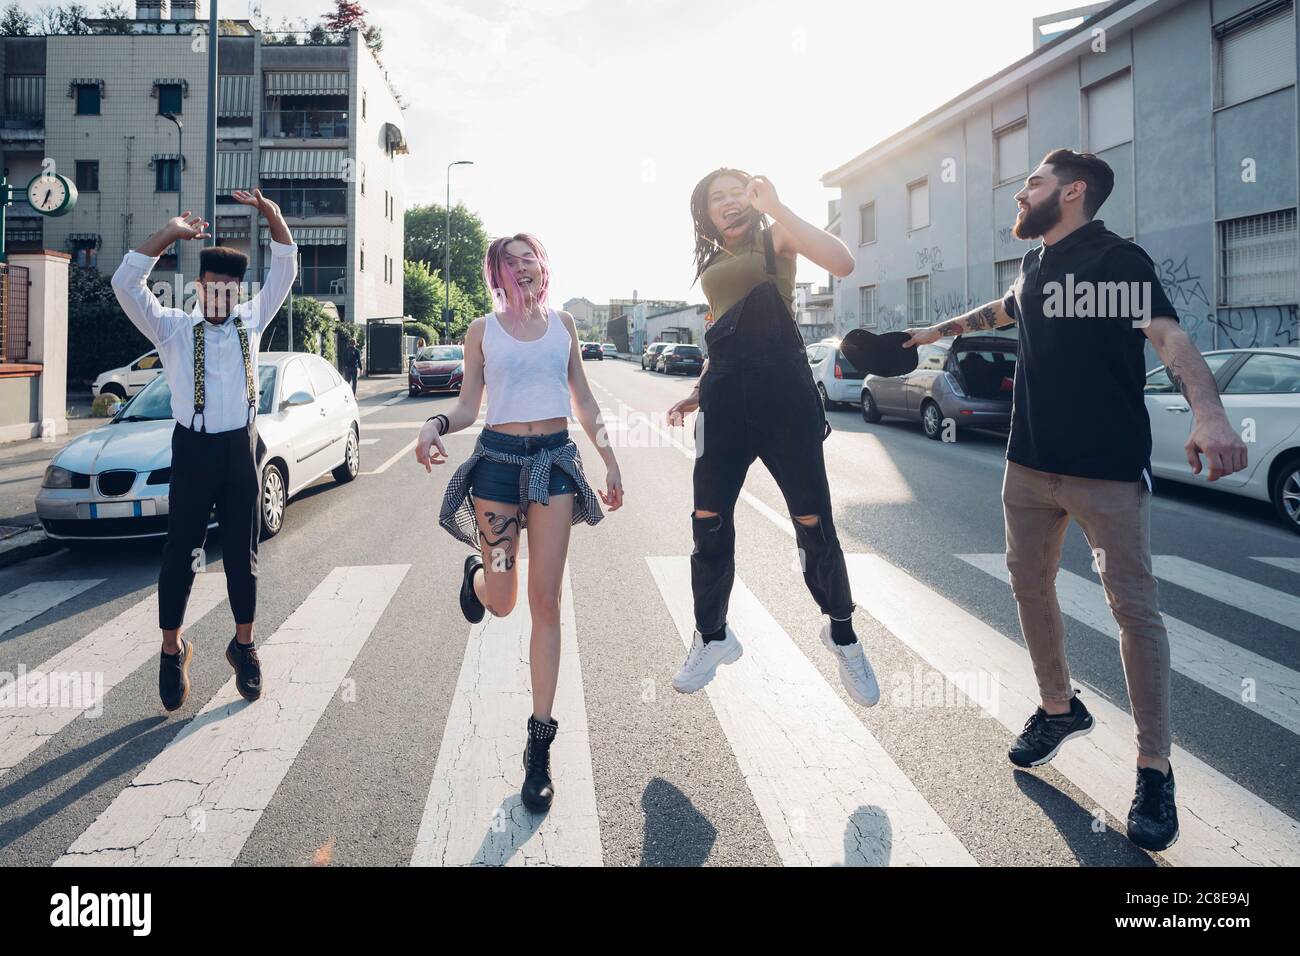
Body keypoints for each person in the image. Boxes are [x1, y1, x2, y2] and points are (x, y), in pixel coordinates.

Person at [903, 149, 1248, 852]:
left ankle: (1153, 767)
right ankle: (1058, 709)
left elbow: (1168, 335)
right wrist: (930, 334)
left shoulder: (1115, 261)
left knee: (1134, 611)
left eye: (1032, 182)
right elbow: (1002, 310)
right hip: (1027, 466)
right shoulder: (1035, 267)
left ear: (1073, 191)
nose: (1018, 194)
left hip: (1105, 472)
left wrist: (1209, 413)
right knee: (1029, 586)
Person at [416, 233, 624, 813]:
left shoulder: (563, 326)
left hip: (556, 466)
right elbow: (466, 404)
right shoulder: (482, 331)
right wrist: (435, 423)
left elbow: (582, 398)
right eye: (511, 262)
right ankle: (477, 577)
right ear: (497, 275)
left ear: (542, 267)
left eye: (530, 257)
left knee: (546, 601)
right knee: (503, 600)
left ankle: (539, 745)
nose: (524, 266)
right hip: (499, 472)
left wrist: (608, 458)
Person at [665, 169, 879, 706]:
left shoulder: (775, 237)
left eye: (738, 192)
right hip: (723, 402)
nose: (730, 202)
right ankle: (712, 635)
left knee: (812, 519)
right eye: (718, 198)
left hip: (784, 399)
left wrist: (778, 206)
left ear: (753, 198)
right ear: (706, 213)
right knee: (707, 521)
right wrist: (698, 389)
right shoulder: (712, 265)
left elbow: (844, 262)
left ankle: (842, 630)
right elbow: (721, 335)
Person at [110, 189, 297, 713]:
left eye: (230, 290)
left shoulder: (253, 322)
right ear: (199, 289)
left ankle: (244, 645)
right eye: (213, 288)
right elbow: (126, 283)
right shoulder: (171, 327)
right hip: (191, 450)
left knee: (243, 553)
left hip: (240, 449)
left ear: (238, 293)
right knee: (180, 555)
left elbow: (286, 266)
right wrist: (168, 234)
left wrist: (273, 216)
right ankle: (172, 651)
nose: (221, 298)